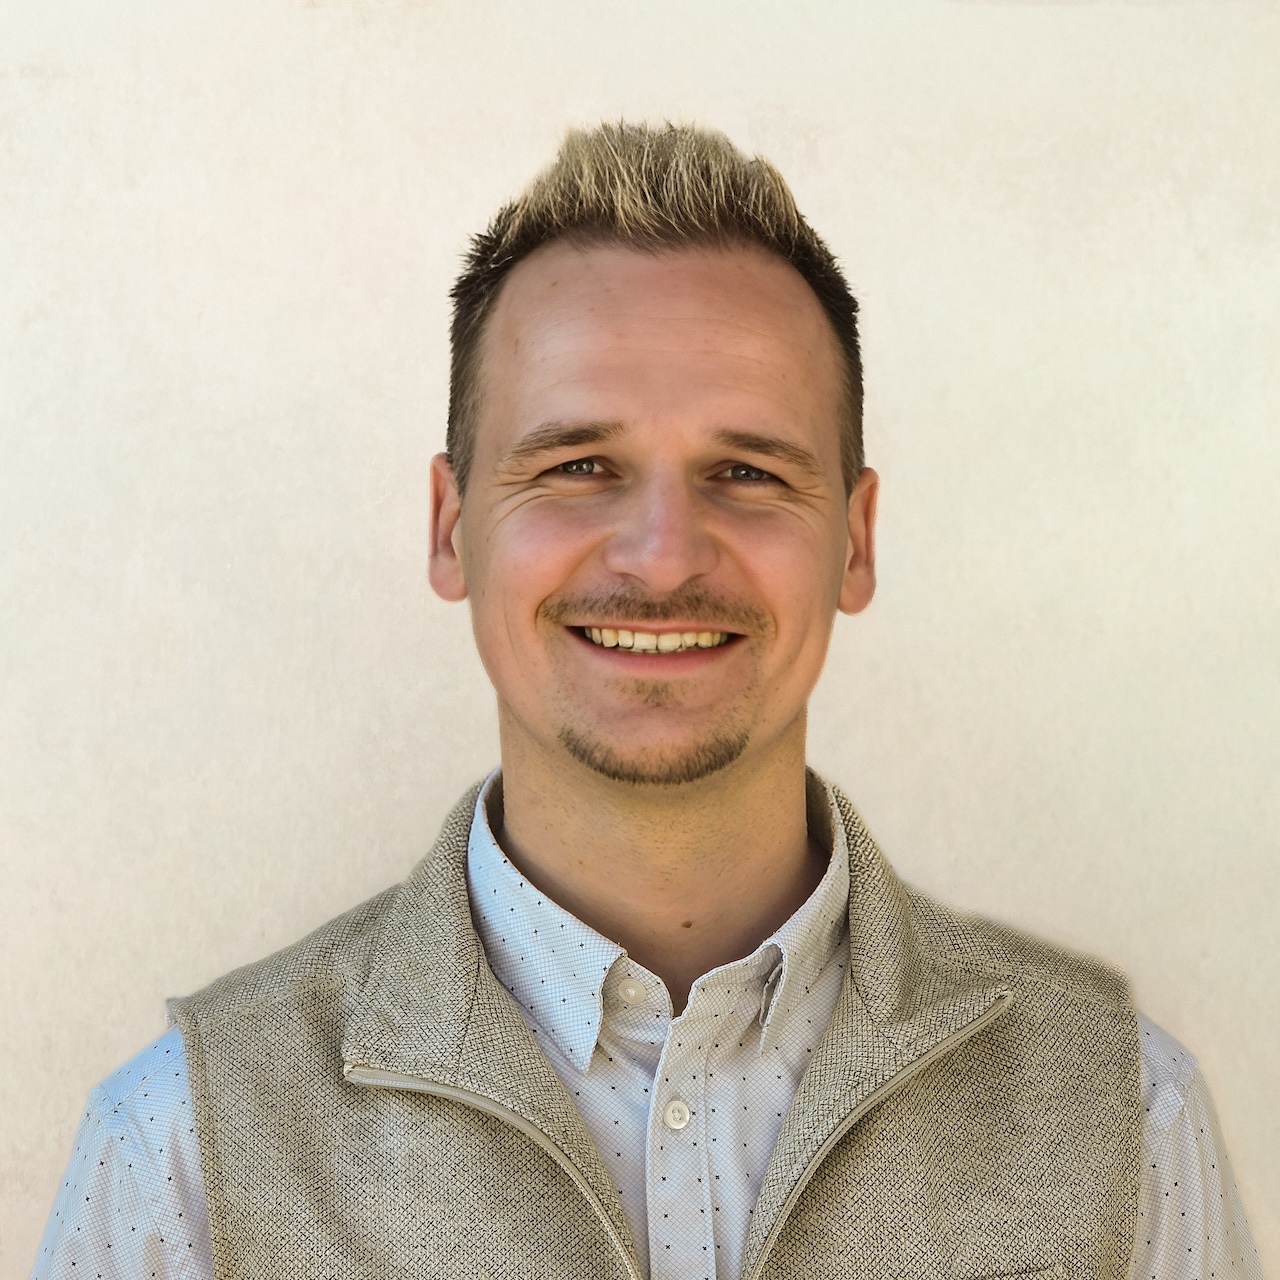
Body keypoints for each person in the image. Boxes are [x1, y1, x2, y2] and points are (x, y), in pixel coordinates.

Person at [34, 122, 1264, 1280]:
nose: (664, 555)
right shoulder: (187, 1150)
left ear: (854, 539)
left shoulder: (1120, 1120)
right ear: (451, 526)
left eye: (746, 471)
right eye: (579, 466)